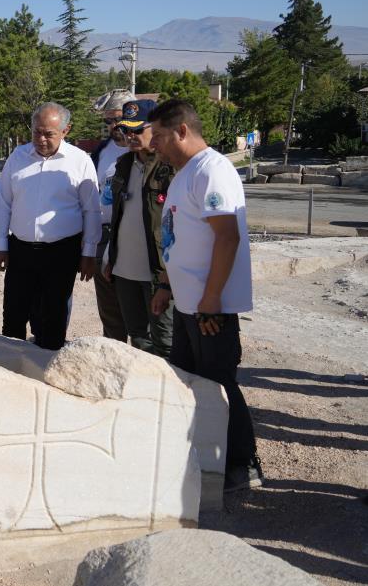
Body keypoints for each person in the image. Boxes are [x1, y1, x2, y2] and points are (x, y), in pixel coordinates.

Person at [148, 99, 261, 493]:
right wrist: (166, 284)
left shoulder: (212, 170)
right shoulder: (182, 173)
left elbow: (226, 237)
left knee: (218, 384)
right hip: (187, 301)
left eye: (159, 136)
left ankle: (242, 464)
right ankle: (206, 456)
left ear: (182, 131)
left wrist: (211, 299)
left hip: (210, 306)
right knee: (191, 380)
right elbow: (177, 237)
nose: (153, 145)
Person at [0, 102, 100, 350]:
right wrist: (0, 245)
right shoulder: (17, 158)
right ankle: (11, 371)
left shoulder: (80, 161)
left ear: (66, 130)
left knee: (52, 318)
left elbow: (91, 210)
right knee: (14, 316)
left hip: (61, 252)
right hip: (21, 250)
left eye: (48, 134)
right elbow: (3, 203)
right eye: (36, 132)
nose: (40, 139)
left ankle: (45, 373)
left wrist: (89, 253)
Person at [102, 99, 174, 357]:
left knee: (165, 342)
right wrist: (111, 257)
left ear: (155, 128)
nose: (130, 136)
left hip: (157, 273)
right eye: (126, 130)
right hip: (125, 271)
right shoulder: (122, 165)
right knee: (138, 338)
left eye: (137, 130)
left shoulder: (170, 168)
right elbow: (118, 216)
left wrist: (168, 276)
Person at [91, 89, 135, 343]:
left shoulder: (145, 149)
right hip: (104, 236)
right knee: (110, 313)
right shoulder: (102, 151)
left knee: (139, 313)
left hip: (134, 238)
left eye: (118, 119)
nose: (114, 126)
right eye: (108, 122)